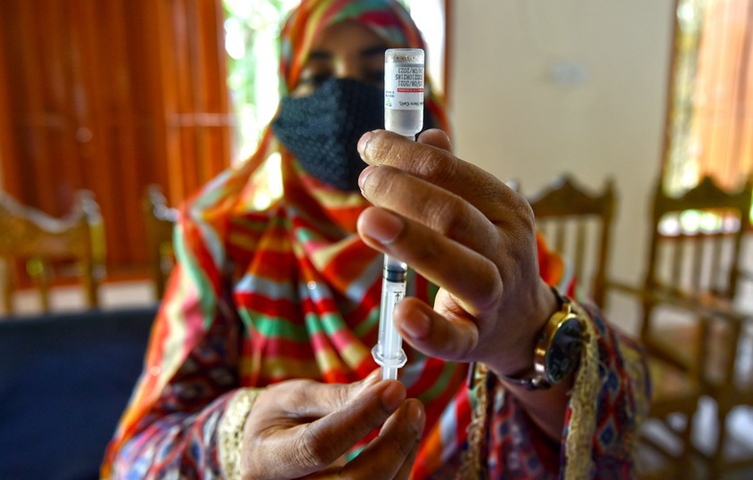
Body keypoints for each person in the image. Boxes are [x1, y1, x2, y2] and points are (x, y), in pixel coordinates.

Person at [102, 0, 649, 478]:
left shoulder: (484, 255)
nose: (341, 97)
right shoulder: (226, 248)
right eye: (316, 77)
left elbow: (621, 407)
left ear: (419, 98)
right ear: (285, 105)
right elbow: (137, 457)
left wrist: (526, 337)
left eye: (374, 74)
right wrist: (236, 440)